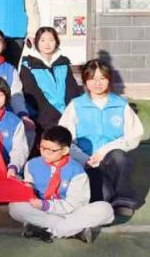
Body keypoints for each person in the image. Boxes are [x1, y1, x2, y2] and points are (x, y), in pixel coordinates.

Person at [59, 60, 143, 217]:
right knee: (103, 197)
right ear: (85, 81)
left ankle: (123, 200)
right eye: (92, 79)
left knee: (119, 156)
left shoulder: (120, 105)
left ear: (109, 80)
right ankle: (107, 193)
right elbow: (64, 138)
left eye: (102, 78)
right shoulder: (76, 105)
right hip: (86, 164)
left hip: (110, 161)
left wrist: (104, 151)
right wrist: (84, 158)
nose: (97, 83)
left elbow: (134, 135)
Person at [8, 126, 115, 243]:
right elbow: (29, 191)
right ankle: (74, 230)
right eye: (42, 148)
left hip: (69, 212)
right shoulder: (31, 164)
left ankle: (47, 230)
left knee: (105, 209)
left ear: (65, 150)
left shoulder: (77, 171)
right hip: (42, 210)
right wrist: (27, 188)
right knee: (15, 207)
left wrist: (46, 206)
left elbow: (76, 204)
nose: (45, 153)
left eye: (51, 150)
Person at [20, 26, 83, 137]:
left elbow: (72, 92)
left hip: (67, 117)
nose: (47, 44)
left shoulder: (63, 64)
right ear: (36, 42)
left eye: (51, 40)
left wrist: (69, 115)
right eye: (42, 40)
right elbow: (33, 95)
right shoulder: (28, 66)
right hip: (43, 119)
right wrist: (55, 119)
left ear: (57, 42)